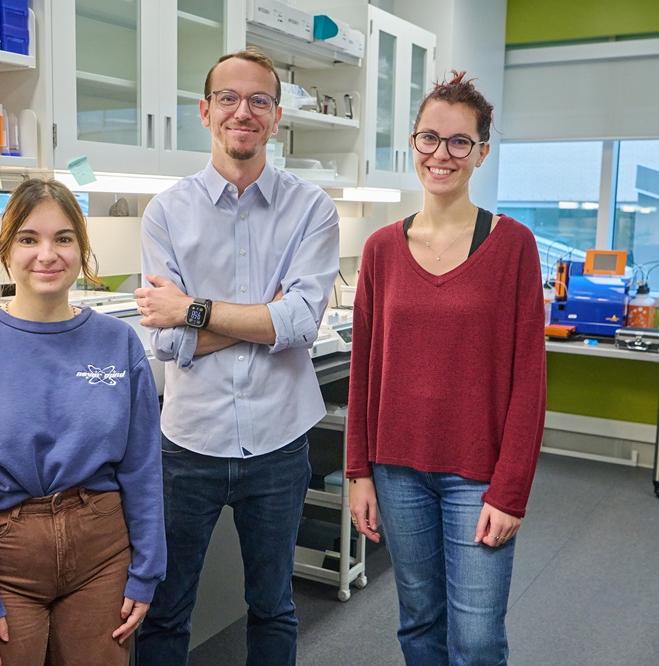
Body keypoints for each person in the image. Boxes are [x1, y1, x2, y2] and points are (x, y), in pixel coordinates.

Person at [133, 46, 340, 666]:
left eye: (258, 100)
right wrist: (261, 319)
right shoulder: (166, 212)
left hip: (279, 444)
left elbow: (300, 324)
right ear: (205, 111)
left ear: (276, 117)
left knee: (273, 606)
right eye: (228, 97)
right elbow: (166, 342)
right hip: (188, 446)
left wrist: (193, 310)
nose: (242, 112)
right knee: (166, 612)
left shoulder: (313, 209)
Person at [0, 178, 165, 666]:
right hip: (4, 562)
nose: (46, 254)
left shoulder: (118, 344)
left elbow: (142, 467)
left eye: (63, 238)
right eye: (29, 239)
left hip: (103, 554)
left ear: (82, 249)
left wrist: (147, 570)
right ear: (7, 251)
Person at [347, 71, 546, 665]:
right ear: (413, 143)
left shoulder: (513, 246)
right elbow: (363, 369)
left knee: (479, 636)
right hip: (397, 472)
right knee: (420, 623)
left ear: (481, 152)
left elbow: (530, 380)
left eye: (459, 142)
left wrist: (510, 490)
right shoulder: (381, 249)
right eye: (429, 138)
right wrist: (359, 471)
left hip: (478, 476)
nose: (442, 154)